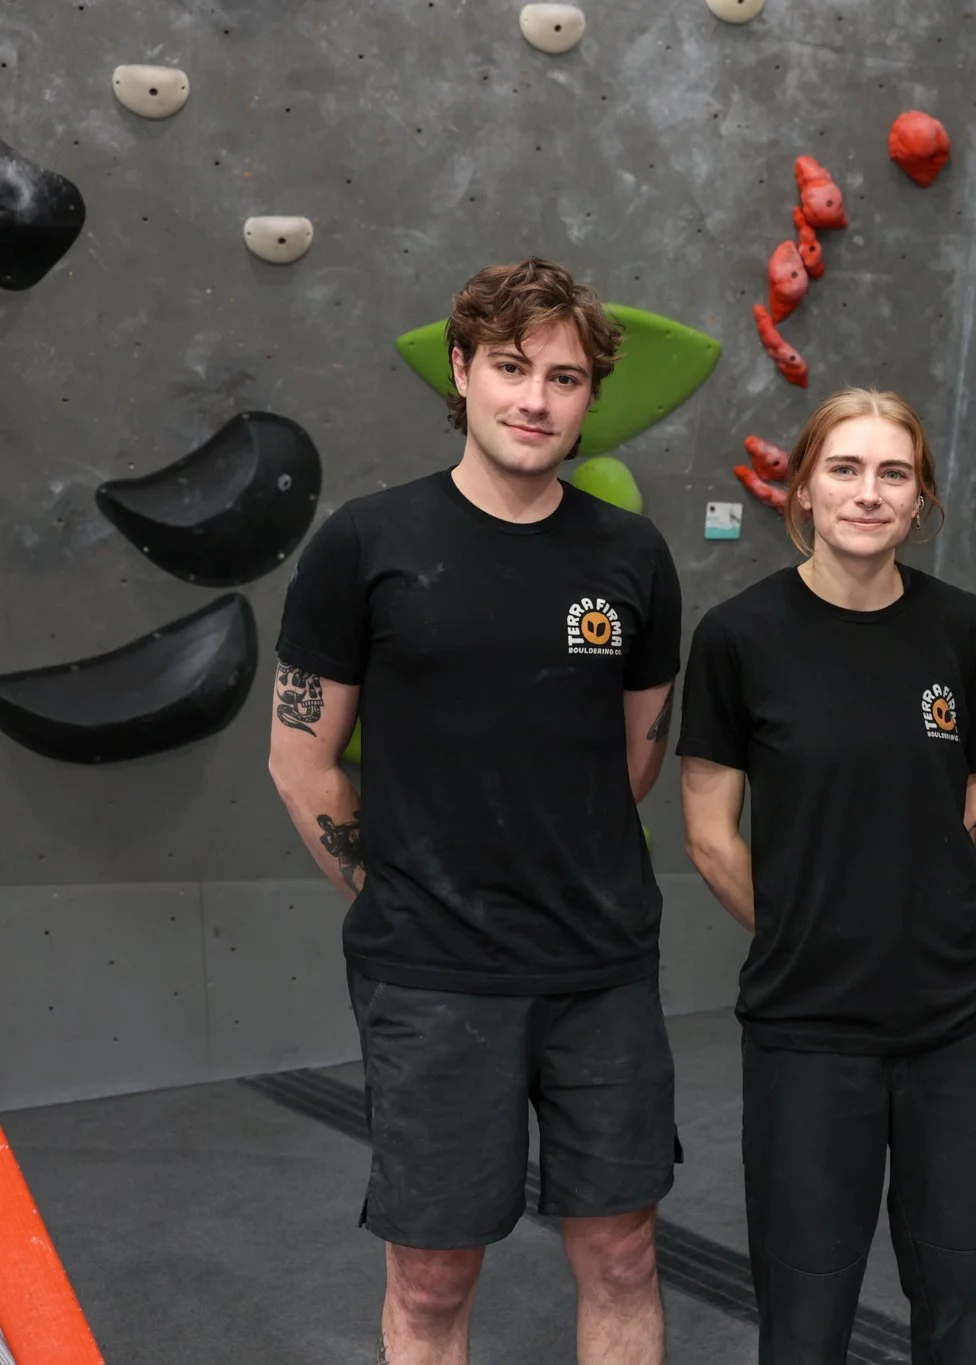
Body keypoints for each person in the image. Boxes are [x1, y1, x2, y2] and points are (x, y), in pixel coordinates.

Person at [267, 258, 684, 1365]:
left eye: (564, 377)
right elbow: (301, 760)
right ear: (461, 371)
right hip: (432, 978)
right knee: (433, 1281)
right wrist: (397, 891)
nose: (534, 399)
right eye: (510, 367)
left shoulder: (632, 557)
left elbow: (631, 758)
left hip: (601, 969)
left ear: (589, 396)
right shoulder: (367, 543)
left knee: (623, 1257)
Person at [676, 388, 976, 1364]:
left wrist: (910, 913)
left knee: (962, 1292)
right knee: (807, 1305)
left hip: (956, 1017)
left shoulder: (959, 627)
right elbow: (709, 835)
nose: (869, 493)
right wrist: (806, 930)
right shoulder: (740, 636)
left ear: (920, 499)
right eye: (846, 469)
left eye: (893, 474)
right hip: (808, 1024)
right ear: (805, 491)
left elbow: (965, 794)